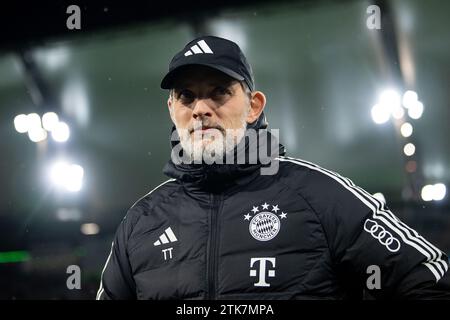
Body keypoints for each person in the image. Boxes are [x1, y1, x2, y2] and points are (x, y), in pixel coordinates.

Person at [96, 36, 450, 300]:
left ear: (253, 107)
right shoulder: (141, 222)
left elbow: (430, 278)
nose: (201, 108)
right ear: (172, 108)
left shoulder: (320, 195)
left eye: (219, 92)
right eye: (186, 96)